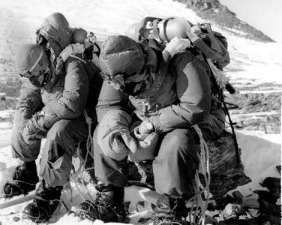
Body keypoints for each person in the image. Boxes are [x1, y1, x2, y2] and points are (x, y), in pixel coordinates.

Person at [77, 33, 219, 224]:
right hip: (146, 121)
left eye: (122, 83)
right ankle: (110, 201)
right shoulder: (116, 72)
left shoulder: (183, 62)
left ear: (139, 71)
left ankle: (170, 208)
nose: (117, 86)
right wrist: (116, 123)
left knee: (176, 142)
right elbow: (107, 105)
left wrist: (152, 124)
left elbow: (195, 106)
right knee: (105, 134)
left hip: (188, 122)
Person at [3, 13, 102, 223]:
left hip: (87, 114)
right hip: (61, 110)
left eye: (32, 75)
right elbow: (29, 95)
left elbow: (73, 104)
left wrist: (38, 121)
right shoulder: (41, 61)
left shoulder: (73, 59)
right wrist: (27, 117)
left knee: (59, 131)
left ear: (40, 65)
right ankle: (28, 168)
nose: (32, 80)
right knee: (23, 115)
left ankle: (50, 192)